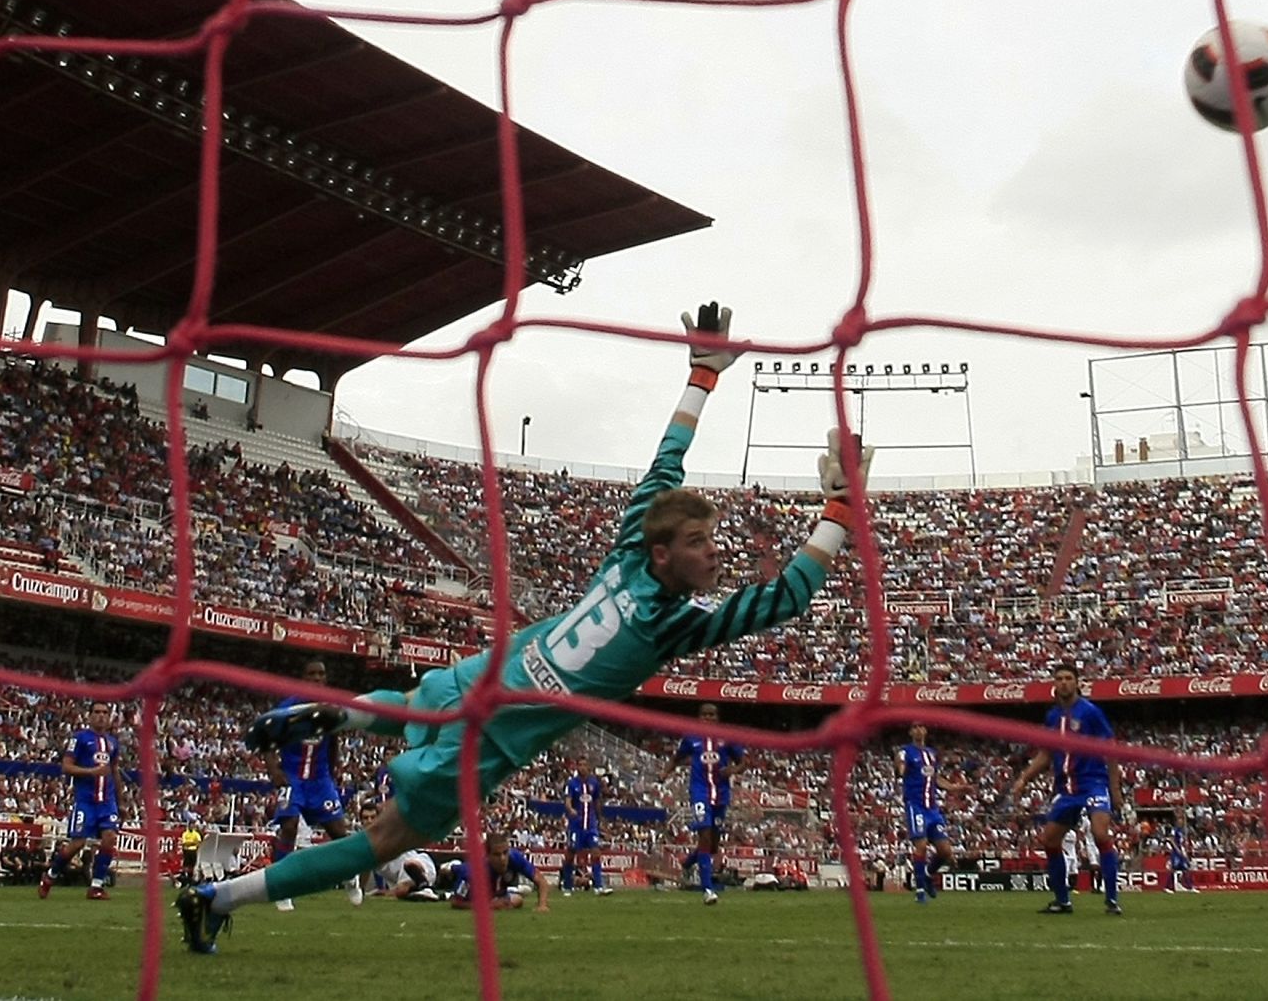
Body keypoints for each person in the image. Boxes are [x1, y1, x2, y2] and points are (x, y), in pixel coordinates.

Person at [176, 302, 873, 955]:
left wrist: (700, 378)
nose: (714, 551)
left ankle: (344, 717)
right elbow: (785, 598)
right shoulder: (671, 623)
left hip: (493, 671)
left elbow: (666, 463)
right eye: (701, 542)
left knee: (412, 712)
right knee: (383, 841)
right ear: (667, 553)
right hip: (499, 728)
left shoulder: (631, 549)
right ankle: (222, 896)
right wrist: (839, 513)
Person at [1003, 662, 1129, 916]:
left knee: (1100, 834)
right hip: (1066, 788)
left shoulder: (1091, 713)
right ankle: (1063, 900)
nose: (1063, 682)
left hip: (1093, 782)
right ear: (1054, 683)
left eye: (1068, 678)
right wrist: (1024, 778)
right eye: (1059, 678)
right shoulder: (1052, 717)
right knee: (1049, 839)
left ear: (1077, 682)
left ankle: (1112, 900)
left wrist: (1114, 789)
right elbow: (1046, 754)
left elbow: (1111, 749)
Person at [262, 657, 361, 911]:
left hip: (319, 779)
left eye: (321, 675)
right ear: (303, 679)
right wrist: (273, 768)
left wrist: (334, 770)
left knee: (339, 831)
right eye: (312, 675)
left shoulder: (331, 709)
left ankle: (351, 876)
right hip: (292, 777)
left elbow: (334, 740)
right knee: (290, 826)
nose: (317, 679)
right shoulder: (289, 708)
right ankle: (281, 887)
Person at [658, 702, 746, 905]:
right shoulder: (691, 738)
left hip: (721, 794)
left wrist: (733, 770)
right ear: (700, 717)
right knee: (704, 835)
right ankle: (708, 889)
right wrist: (664, 773)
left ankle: (688, 863)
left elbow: (743, 762)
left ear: (717, 717)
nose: (709, 718)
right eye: (705, 715)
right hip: (699, 792)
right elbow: (677, 758)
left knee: (712, 844)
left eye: (712, 715)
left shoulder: (726, 738)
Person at [39, 700, 121, 900]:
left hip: (107, 801)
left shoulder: (113, 742)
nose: (101, 715)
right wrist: (92, 771)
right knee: (77, 843)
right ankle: (50, 876)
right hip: (85, 800)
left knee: (110, 837)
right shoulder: (80, 738)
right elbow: (66, 767)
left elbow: (114, 770)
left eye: (105, 712)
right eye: (97, 712)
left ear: (109, 717)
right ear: (90, 716)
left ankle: (96, 886)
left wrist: (120, 800)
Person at [895, 721, 973, 905]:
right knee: (921, 845)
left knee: (946, 851)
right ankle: (920, 890)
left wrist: (955, 787)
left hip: (932, 808)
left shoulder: (931, 754)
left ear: (925, 730)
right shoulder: (906, 751)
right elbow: (900, 766)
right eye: (914, 727)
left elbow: (935, 778)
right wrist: (900, 768)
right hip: (915, 805)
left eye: (921, 726)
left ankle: (928, 875)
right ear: (910, 731)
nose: (918, 729)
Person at [445, 831, 549, 911]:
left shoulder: (514, 857)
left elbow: (541, 880)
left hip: (494, 892)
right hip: (456, 871)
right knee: (447, 870)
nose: (502, 858)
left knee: (518, 900)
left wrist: (542, 905)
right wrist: (489, 906)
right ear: (488, 855)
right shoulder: (471, 872)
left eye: (505, 852)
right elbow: (456, 902)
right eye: (497, 854)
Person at [560, 757, 611, 897]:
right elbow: (568, 801)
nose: (582, 767)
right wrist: (570, 810)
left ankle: (598, 886)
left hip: (591, 825)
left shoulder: (594, 783)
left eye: (584, 764)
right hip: (576, 825)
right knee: (570, 854)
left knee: (596, 852)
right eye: (579, 764)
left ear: (589, 767)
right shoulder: (571, 784)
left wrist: (601, 821)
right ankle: (567, 886)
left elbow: (596, 802)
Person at [373, 848, 443, 901]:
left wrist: (384, 893)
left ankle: (426, 889)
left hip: (420, 867)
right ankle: (426, 889)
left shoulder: (405, 862)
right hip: (422, 864)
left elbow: (401, 890)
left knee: (410, 865)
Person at [1165, 808, 1198, 894]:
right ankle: (1168, 887)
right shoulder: (1174, 829)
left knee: (1186, 869)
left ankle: (1190, 886)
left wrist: (1184, 849)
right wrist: (1177, 849)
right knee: (1174, 869)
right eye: (1180, 820)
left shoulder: (1182, 831)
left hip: (1181, 851)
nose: (1182, 822)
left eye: (1182, 820)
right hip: (1176, 852)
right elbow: (1171, 840)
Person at [179, 821, 203, 886]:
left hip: (193, 851)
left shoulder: (196, 834)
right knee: (186, 865)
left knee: (192, 865)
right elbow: (184, 843)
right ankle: (184, 878)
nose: (192, 827)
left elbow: (199, 842)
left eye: (193, 825)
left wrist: (189, 843)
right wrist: (193, 843)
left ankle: (190, 878)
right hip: (187, 850)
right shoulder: (185, 833)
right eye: (191, 825)